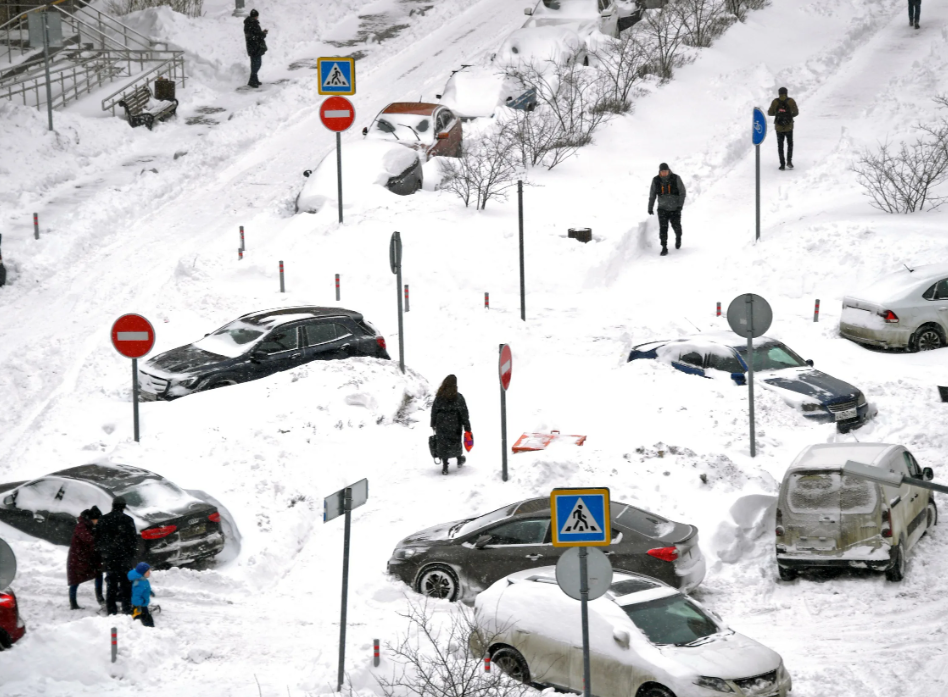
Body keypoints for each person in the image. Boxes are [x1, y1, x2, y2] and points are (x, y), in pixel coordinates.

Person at [96, 497, 138, 616]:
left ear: (113, 505)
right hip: (124, 558)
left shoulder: (104, 519)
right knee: (126, 584)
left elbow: (98, 539)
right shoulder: (128, 520)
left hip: (110, 558)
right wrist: (130, 556)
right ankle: (126, 608)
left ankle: (111, 609)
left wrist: (104, 553)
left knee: (111, 584)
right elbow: (133, 541)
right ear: (124, 507)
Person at [430, 375, 472, 476]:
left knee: (443, 443)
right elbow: (464, 413)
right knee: (455, 442)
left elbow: (434, 411)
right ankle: (459, 459)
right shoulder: (458, 397)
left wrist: (433, 423)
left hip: (441, 424)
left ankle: (445, 466)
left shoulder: (439, 398)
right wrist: (467, 426)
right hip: (455, 424)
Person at [67, 507, 104, 610]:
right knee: (75, 580)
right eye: (98, 520)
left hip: (87, 557)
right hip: (78, 558)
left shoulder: (90, 525)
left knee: (98, 573)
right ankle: (73, 603)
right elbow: (89, 540)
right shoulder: (82, 526)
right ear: (93, 518)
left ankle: (100, 598)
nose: (99, 522)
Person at [647, 163, 687, 257]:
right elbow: (652, 195)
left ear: (668, 170)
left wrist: (680, 206)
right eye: (662, 171)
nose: (664, 173)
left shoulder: (676, 178)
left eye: (665, 171)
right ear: (660, 171)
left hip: (675, 209)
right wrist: (650, 207)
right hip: (662, 209)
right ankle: (664, 247)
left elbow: (682, 192)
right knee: (663, 229)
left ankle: (678, 237)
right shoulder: (656, 180)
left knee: (676, 226)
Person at [767, 87, 799, 171]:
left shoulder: (775, 102)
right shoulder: (791, 101)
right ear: (786, 93)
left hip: (779, 127)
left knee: (780, 146)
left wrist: (778, 113)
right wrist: (789, 115)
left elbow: (770, 113)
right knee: (790, 144)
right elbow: (796, 112)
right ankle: (789, 161)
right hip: (789, 126)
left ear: (779, 93)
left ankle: (782, 164)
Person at [243, 9, 268, 88]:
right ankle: (252, 81)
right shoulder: (252, 24)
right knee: (256, 64)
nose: (257, 17)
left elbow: (254, 35)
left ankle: (254, 80)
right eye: (257, 16)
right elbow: (254, 36)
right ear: (255, 16)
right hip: (254, 47)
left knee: (256, 64)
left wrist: (261, 33)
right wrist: (262, 34)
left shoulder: (250, 23)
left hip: (253, 47)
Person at [128, 562, 155, 628]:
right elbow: (136, 596)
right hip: (139, 605)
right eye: (148, 572)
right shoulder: (138, 583)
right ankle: (145, 628)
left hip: (143, 603)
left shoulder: (144, 580)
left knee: (145, 616)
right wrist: (138, 606)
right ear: (143, 573)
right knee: (141, 617)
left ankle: (149, 627)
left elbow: (146, 588)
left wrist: (150, 592)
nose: (150, 573)